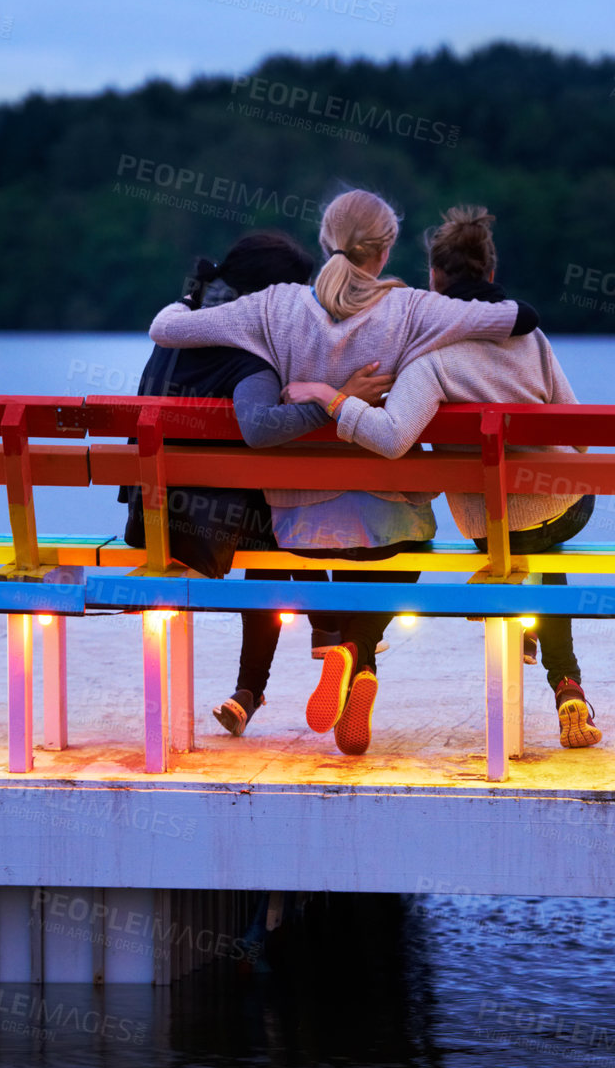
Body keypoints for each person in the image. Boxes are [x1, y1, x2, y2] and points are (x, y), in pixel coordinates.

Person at [148, 189, 539, 754]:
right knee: (410, 542)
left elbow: (166, 328)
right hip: (390, 524)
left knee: (362, 533)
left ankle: (344, 659)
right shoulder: (412, 309)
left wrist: (191, 298)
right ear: (385, 253)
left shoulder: (273, 306)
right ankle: (354, 652)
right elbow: (518, 318)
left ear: (326, 241)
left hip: (299, 529)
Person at [281, 206, 601, 750]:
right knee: (545, 552)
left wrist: (333, 399)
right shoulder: (532, 338)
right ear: (492, 272)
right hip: (556, 510)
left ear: (434, 279)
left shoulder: (429, 356)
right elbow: (579, 435)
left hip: (485, 522)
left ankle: (356, 652)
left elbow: (390, 437)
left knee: (500, 542)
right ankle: (567, 686)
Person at [122, 230, 390, 737]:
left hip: (149, 514)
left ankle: (258, 685)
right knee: (287, 515)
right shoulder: (249, 351)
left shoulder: (181, 320)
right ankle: (332, 632)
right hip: (202, 530)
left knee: (272, 518)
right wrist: (334, 400)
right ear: (274, 298)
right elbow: (260, 427)